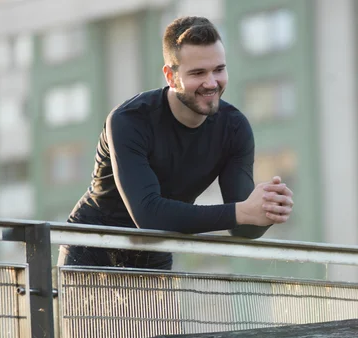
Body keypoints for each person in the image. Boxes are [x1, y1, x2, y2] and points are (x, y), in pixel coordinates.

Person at [57, 16, 294, 269]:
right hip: (93, 249)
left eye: (219, 69)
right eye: (198, 73)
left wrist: (267, 210)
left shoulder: (235, 128)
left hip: (156, 252)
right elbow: (149, 215)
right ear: (170, 76)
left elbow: (243, 228)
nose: (212, 83)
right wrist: (242, 211)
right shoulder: (128, 121)